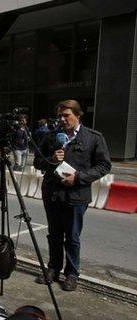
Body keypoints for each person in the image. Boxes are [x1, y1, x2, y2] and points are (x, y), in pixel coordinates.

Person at [33, 99, 111, 291]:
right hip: (52, 193)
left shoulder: (93, 137)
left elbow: (104, 165)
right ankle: (53, 268)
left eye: (66, 115)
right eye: (60, 115)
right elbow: (37, 162)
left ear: (78, 115)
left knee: (73, 237)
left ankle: (72, 274)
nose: (62, 119)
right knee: (54, 234)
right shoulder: (52, 137)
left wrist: (79, 177)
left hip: (76, 195)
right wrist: (51, 160)